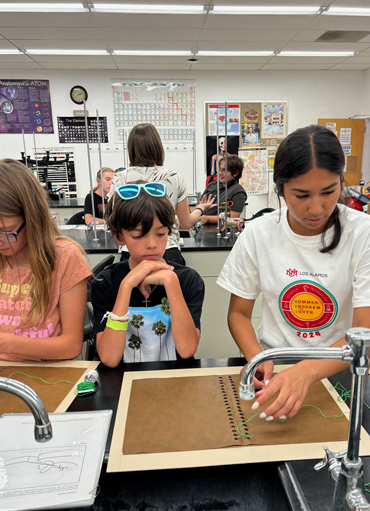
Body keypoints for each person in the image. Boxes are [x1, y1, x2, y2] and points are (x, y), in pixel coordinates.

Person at [217, 124, 370, 421]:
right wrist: (257, 358)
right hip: (277, 368)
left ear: (342, 182)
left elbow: (363, 332)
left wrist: (307, 371)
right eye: (301, 195)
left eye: (329, 192)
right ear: (281, 189)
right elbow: (238, 314)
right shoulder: (260, 233)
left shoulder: (362, 233)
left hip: (341, 370)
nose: (317, 208)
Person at [0, 159, 92, 364]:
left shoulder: (64, 257)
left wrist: (4, 343)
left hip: (50, 372)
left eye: (6, 232)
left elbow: (71, 346)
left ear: (33, 218)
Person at [92, 182, 204, 367]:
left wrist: (171, 282)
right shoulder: (107, 282)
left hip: (175, 380)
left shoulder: (187, 280)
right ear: (120, 236)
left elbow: (187, 349)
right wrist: (127, 285)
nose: (151, 244)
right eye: (138, 236)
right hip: (124, 382)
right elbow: (110, 359)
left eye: (160, 234)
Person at [109, 123, 214, 265]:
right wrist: (201, 208)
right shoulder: (173, 177)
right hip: (167, 250)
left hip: (132, 251)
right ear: (157, 146)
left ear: (131, 149)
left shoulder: (119, 179)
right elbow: (186, 222)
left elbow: (112, 220)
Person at [200, 155, 247, 225]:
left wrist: (208, 219)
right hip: (202, 227)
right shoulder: (212, 185)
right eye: (220, 169)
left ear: (235, 173)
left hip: (221, 230)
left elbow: (233, 217)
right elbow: (199, 205)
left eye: (224, 170)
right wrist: (200, 208)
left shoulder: (238, 192)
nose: (219, 173)